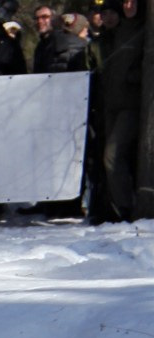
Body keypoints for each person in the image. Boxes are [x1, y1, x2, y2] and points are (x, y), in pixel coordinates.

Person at [95, 0, 145, 221]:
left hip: (131, 106)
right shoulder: (106, 39)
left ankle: (125, 208)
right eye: (104, 13)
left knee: (112, 157)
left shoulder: (138, 31)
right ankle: (115, 208)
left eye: (112, 12)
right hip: (110, 106)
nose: (109, 17)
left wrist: (133, 79)